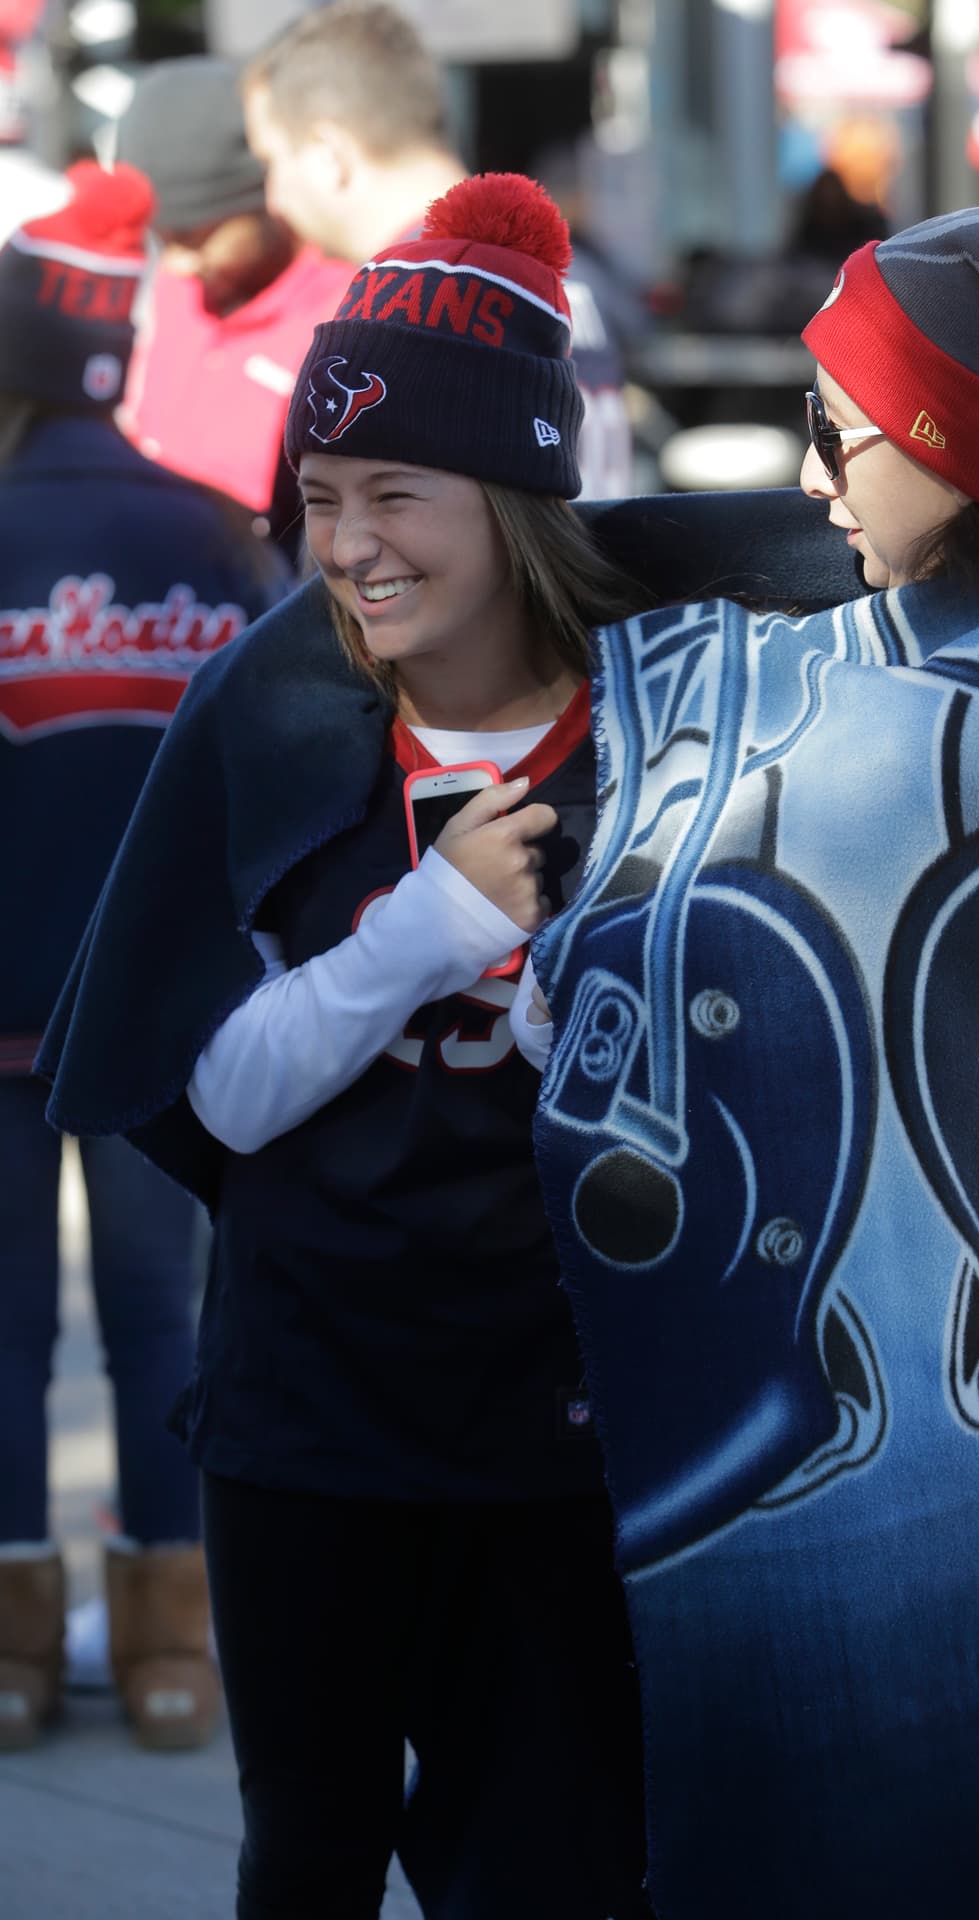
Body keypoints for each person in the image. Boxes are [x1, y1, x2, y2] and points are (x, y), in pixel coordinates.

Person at [520, 183, 979, 1917]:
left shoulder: (938, 726)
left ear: (947, 445)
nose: (809, 479)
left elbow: (673, 914)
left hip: (925, 1457)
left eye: (834, 436)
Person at [40, 172, 652, 1920]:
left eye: (398, 491)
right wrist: (429, 934)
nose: (354, 542)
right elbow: (215, 1091)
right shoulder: (281, 698)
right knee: (305, 1854)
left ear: (523, 495)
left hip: (569, 1414)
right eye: (319, 499)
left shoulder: (669, 712)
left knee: (553, 1865)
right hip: (314, 1408)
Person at [0, 160, 285, 1753]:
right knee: (165, 1325)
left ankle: (13, 1654)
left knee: (2, 1335)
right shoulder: (211, 534)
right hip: (166, 1020)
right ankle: (178, 1653)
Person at [241, 0, 633, 498]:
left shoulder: (408, 307)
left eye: (271, 160)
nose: (272, 199)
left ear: (327, 155)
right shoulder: (565, 275)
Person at [114, 55, 350, 546]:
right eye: (160, 240)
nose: (177, 265)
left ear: (263, 195)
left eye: (194, 236)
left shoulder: (345, 311)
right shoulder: (175, 286)